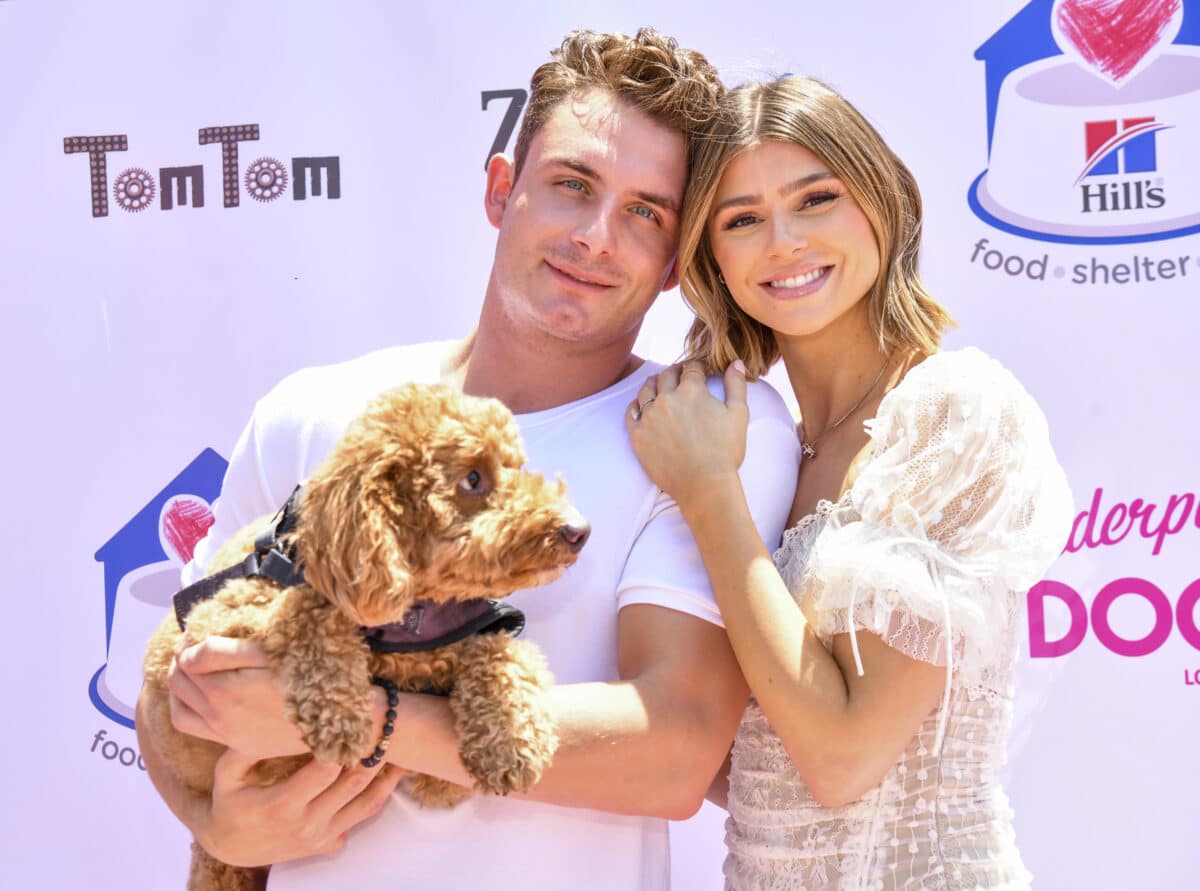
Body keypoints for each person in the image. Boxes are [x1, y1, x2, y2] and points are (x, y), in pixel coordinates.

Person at [136, 28, 802, 891]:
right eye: (572, 184)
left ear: (677, 261)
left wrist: (367, 719)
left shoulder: (706, 429)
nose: (597, 237)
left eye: (646, 211)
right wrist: (212, 819)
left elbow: (675, 748)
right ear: (501, 189)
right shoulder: (310, 413)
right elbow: (171, 682)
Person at [626, 76, 1074, 890]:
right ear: (711, 258)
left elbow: (841, 757)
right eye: (742, 219)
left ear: (881, 199)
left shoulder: (951, 411)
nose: (785, 241)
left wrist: (706, 492)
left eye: (816, 198)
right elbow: (767, 765)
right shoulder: (772, 449)